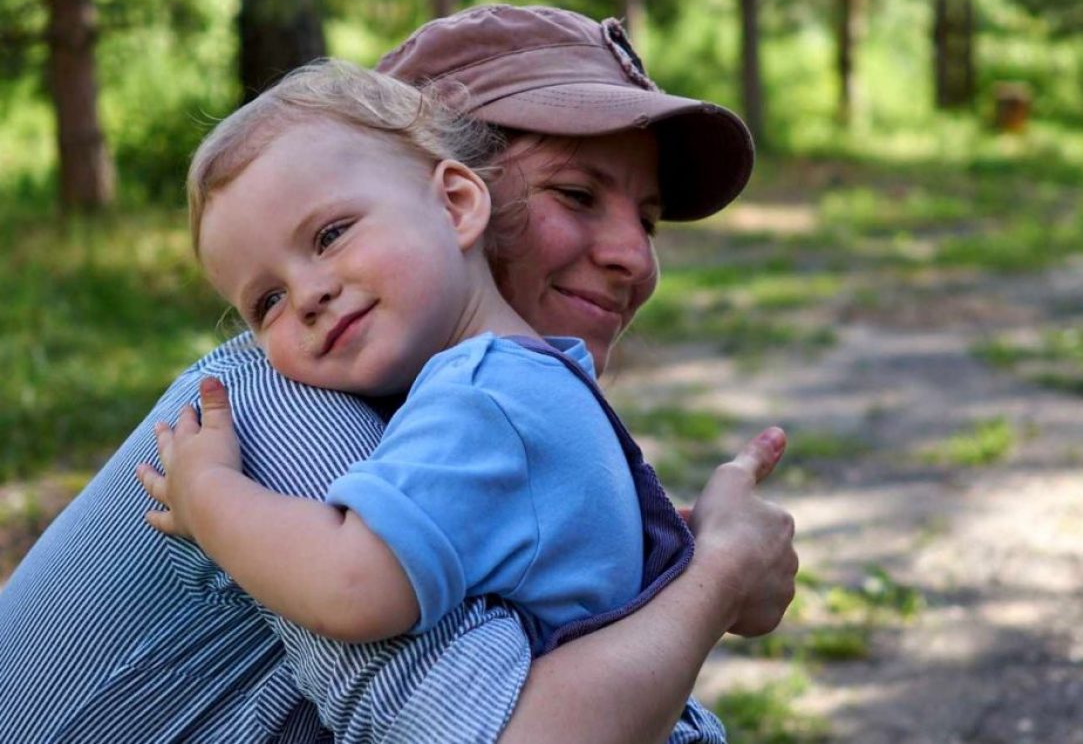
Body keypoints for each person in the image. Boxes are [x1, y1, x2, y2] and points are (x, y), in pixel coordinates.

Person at [0, 5, 797, 744]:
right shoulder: (273, 412)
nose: (636, 256)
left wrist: (684, 567)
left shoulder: (491, 398)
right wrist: (715, 582)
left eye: (647, 218)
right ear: (458, 198)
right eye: (577, 193)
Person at [136, 59, 698, 664]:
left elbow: (351, 588)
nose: (307, 297)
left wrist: (207, 494)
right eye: (266, 300)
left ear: (456, 206)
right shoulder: (529, 379)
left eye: (330, 236)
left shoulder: (484, 398)